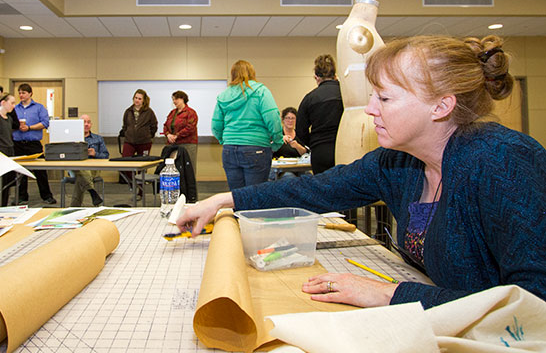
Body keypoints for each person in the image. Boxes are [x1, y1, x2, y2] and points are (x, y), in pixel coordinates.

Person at [178, 35, 546, 310]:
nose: (370, 110)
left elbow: (534, 305)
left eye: (384, 98)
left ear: (442, 105)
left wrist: (389, 293)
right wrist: (223, 200)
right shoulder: (400, 162)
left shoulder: (504, 161)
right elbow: (314, 191)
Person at [212, 60, 283, 190]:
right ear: (252, 73)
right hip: (256, 148)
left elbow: (216, 125)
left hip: (229, 149)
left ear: (232, 74)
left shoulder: (223, 96)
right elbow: (273, 118)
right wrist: (278, 142)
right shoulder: (261, 91)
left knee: (237, 196)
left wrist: (225, 140)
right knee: (255, 195)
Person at [295, 54, 343, 174]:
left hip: (320, 151)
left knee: (323, 189)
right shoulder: (346, 94)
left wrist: (313, 143)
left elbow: (301, 131)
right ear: (335, 76)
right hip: (344, 147)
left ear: (316, 77)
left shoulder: (309, 98)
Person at [12, 84, 56, 205]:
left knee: (40, 171)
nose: (21, 95)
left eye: (24, 93)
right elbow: (9, 123)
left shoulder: (39, 108)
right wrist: (17, 127)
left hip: (33, 144)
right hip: (18, 143)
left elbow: (45, 123)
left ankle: (46, 195)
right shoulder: (14, 108)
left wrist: (29, 128)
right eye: (19, 93)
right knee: (20, 172)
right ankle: (22, 196)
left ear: (30, 93)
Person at [119, 89, 158, 195]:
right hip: (129, 141)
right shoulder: (128, 111)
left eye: (139, 98)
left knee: (142, 167)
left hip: (144, 142)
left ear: (144, 100)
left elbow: (154, 126)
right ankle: (133, 183)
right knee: (124, 163)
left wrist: (149, 136)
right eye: (136, 98)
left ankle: (141, 190)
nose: (137, 100)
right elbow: (125, 126)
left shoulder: (149, 112)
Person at [70, 114, 109, 207]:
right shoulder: (73, 139)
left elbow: (106, 155)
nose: (86, 124)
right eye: (84, 122)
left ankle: (74, 208)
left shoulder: (98, 138)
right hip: (75, 168)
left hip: (93, 169)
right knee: (80, 169)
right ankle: (92, 192)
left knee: (81, 177)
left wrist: (95, 154)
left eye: (88, 122)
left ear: (91, 124)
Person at [162, 90, 199, 173]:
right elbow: (165, 126)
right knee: (174, 168)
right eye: (173, 99)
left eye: (176, 99)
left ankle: (189, 186)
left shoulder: (191, 112)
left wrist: (176, 136)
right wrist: (168, 135)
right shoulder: (172, 113)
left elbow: (190, 127)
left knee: (189, 169)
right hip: (173, 144)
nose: (174, 101)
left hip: (188, 144)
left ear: (183, 99)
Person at [270, 106, 309, 180]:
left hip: (298, 167)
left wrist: (297, 146)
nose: (290, 121)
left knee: (308, 177)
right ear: (283, 120)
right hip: (281, 170)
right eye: (287, 118)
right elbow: (269, 150)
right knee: (290, 178)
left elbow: (305, 153)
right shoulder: (277, 134)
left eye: (292, 118)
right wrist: (279, 140)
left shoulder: (300, 134)